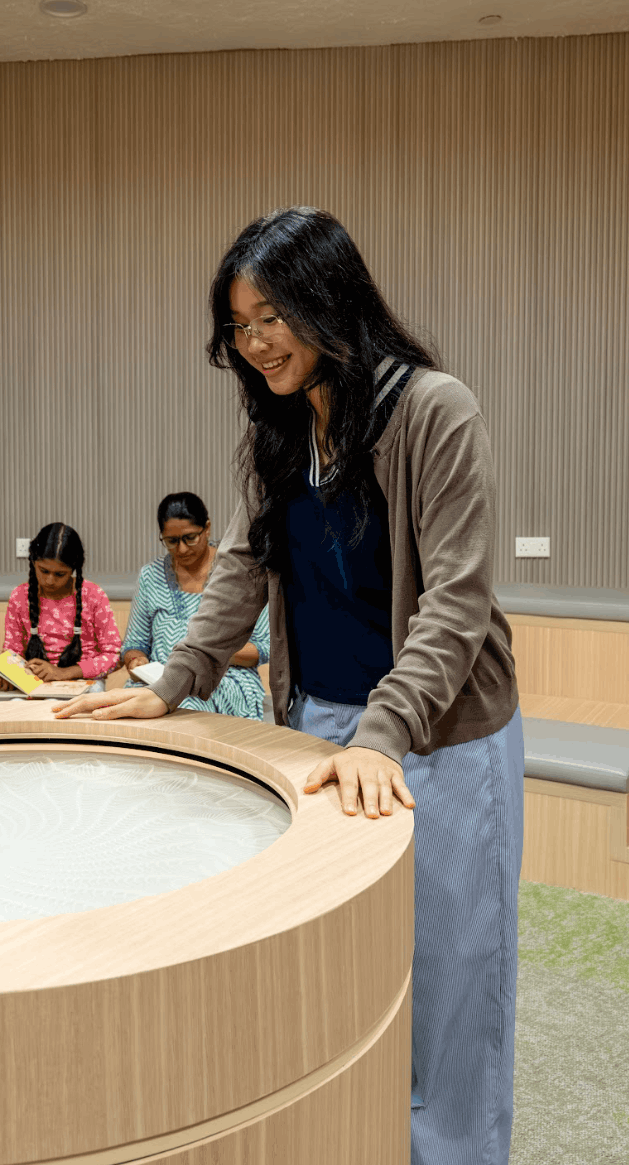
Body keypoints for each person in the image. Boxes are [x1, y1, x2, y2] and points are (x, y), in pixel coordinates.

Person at [58, 207, 522, 1165]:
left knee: (450, 981)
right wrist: (173, 677)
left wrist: (381, 736)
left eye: (272, 316)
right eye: (240, 325)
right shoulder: (278, 430)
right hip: (321, 729)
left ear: (329, 301)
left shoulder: (433, 408)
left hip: (436, 737)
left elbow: (456, 600)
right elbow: (239, 570)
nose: (256, 343)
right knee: (349, 968)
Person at [121, 491, 271, 719]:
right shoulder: (151, 576)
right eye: (172, 541)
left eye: (190, 538)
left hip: (222, 680)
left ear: (207, 528)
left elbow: (264, 647)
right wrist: (136, 661)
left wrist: (206, 653)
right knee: (127, 708)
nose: (181, 549)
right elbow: (135, 643)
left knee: (187, 708)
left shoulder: (236, 572)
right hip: (160, 678)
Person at [0, 522, 122, 686]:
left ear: (73, 569)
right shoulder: (19, 596)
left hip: (84, 683)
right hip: (35, 683)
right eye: (44, 571)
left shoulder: (93, 595)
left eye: (60, 574)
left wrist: (63, 673)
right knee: (14, 707)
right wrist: (8, 674)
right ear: (33, 562)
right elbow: (12, 651)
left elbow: (113, 656)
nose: (50, 580)